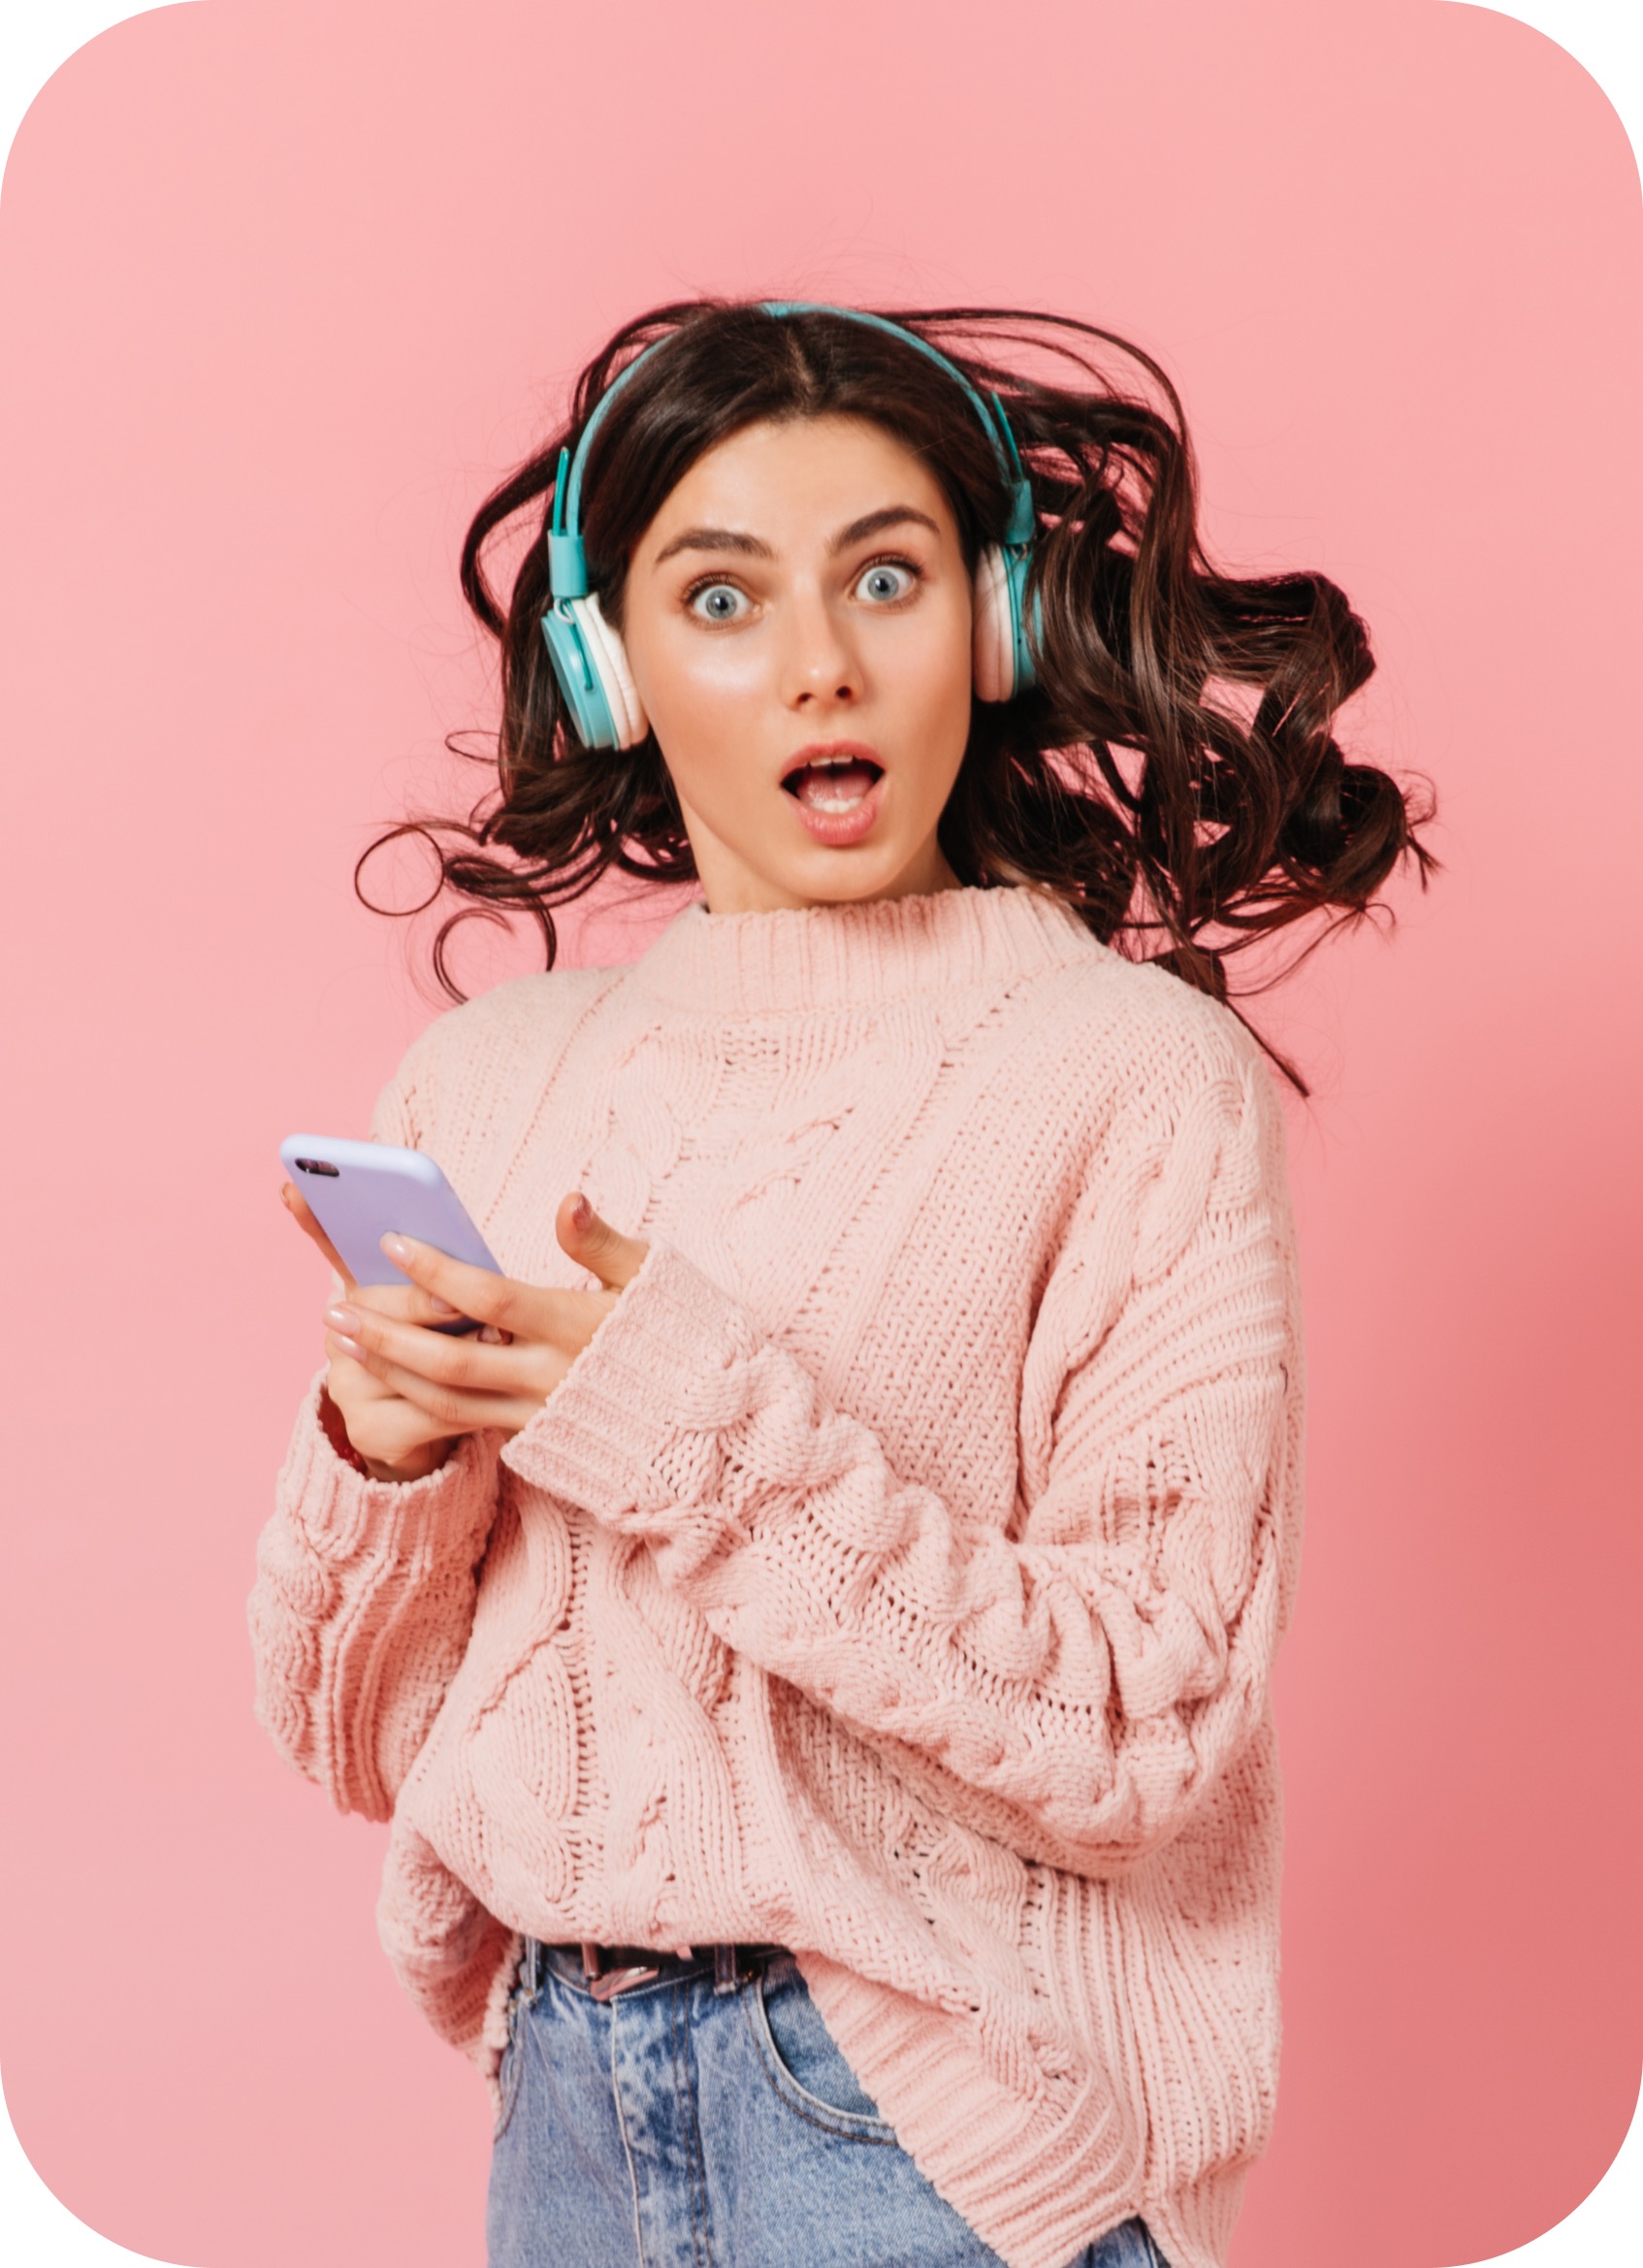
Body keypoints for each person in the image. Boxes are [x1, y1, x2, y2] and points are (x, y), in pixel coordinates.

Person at [249, 299, 1433, 2268]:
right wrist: (378, 1457)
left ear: (987, 625)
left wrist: (682, 1417)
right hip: (559, 2107)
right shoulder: (484, 1082)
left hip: (929, 2133)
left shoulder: (1123, 1073)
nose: (816, 665)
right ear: (604, 662)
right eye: (721, 599)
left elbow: (1149, 1731)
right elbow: (342, 1736)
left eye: (880, 577)